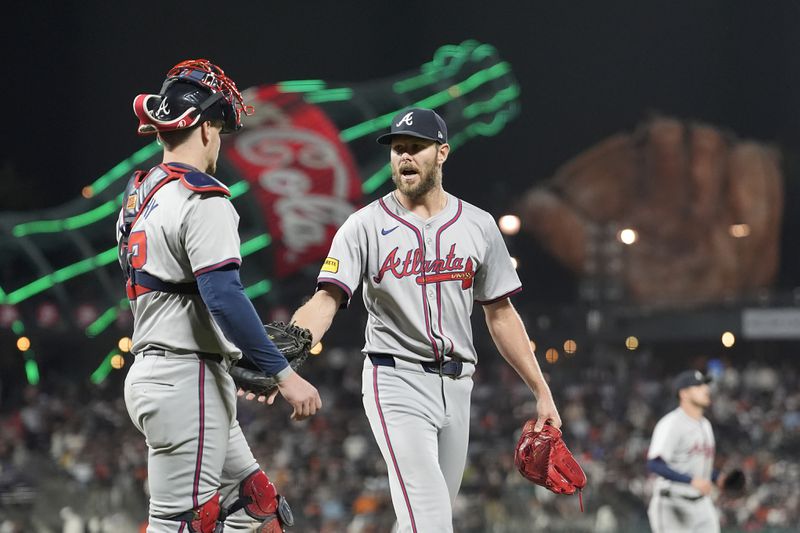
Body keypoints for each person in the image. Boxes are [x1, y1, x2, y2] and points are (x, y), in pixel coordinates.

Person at [286, 107, 562, 531]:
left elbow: (501, 313)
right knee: (431, 521)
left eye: (416, 147)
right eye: (398, 149)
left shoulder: (478, 225)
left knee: (419, 519)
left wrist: (541, 391)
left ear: (443, 153)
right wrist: (293, 343)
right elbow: (327, 298)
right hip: (395, 381)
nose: (405, 157)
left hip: (457, 387)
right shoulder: (364, 225)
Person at [117, 59, 321, 533]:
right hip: (186, 380)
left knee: (259, 507)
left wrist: (230, 357)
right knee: (184, 525)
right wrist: (282, 373)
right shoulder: (203, 197)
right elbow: (222, 295)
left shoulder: (139, 194)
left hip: (169, 372)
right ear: (207, 128)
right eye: (221, 128)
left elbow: (174, 292)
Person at [646, 370, 719, 533]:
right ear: (684, 394)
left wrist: (719, 478)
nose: (706, 389)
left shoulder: (705, 425)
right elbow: (654, 464)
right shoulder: (671, 424)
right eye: (698, 386)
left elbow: (698, 466)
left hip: (702, 504)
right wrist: (691, 481)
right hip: (672, 504)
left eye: (705, 385)